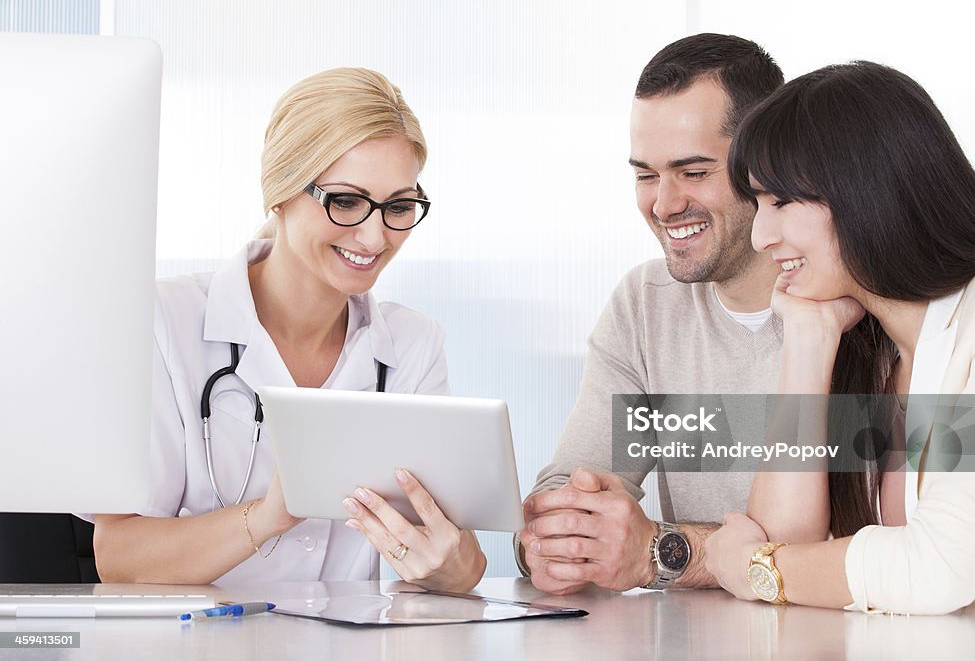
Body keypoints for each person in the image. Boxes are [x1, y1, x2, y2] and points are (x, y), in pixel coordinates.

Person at [92, 68, 486, 591]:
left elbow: (466, 564)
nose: (375, 236)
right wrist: (271, 514)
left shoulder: (412, 346)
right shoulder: (164, 322)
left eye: (398, 206)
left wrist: (448, 567)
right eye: (346, 201)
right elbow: (118, 555)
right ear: (279, 191)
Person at [705, 60, 975, 614]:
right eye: (756, 206)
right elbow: (789, 551)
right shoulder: (874, 354)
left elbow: (936, 570)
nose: (760, 235)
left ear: (865, 189)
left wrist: (756, 568)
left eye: (779, 201)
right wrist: (808, 341)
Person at [517, 33, 785, 594]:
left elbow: (882, 545)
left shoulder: (859, 305)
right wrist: (557, 540)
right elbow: (574, 484)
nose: (663, 204)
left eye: (693, 172)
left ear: (766, 163)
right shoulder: (647, 303)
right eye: (645, 174)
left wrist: (664, 550)